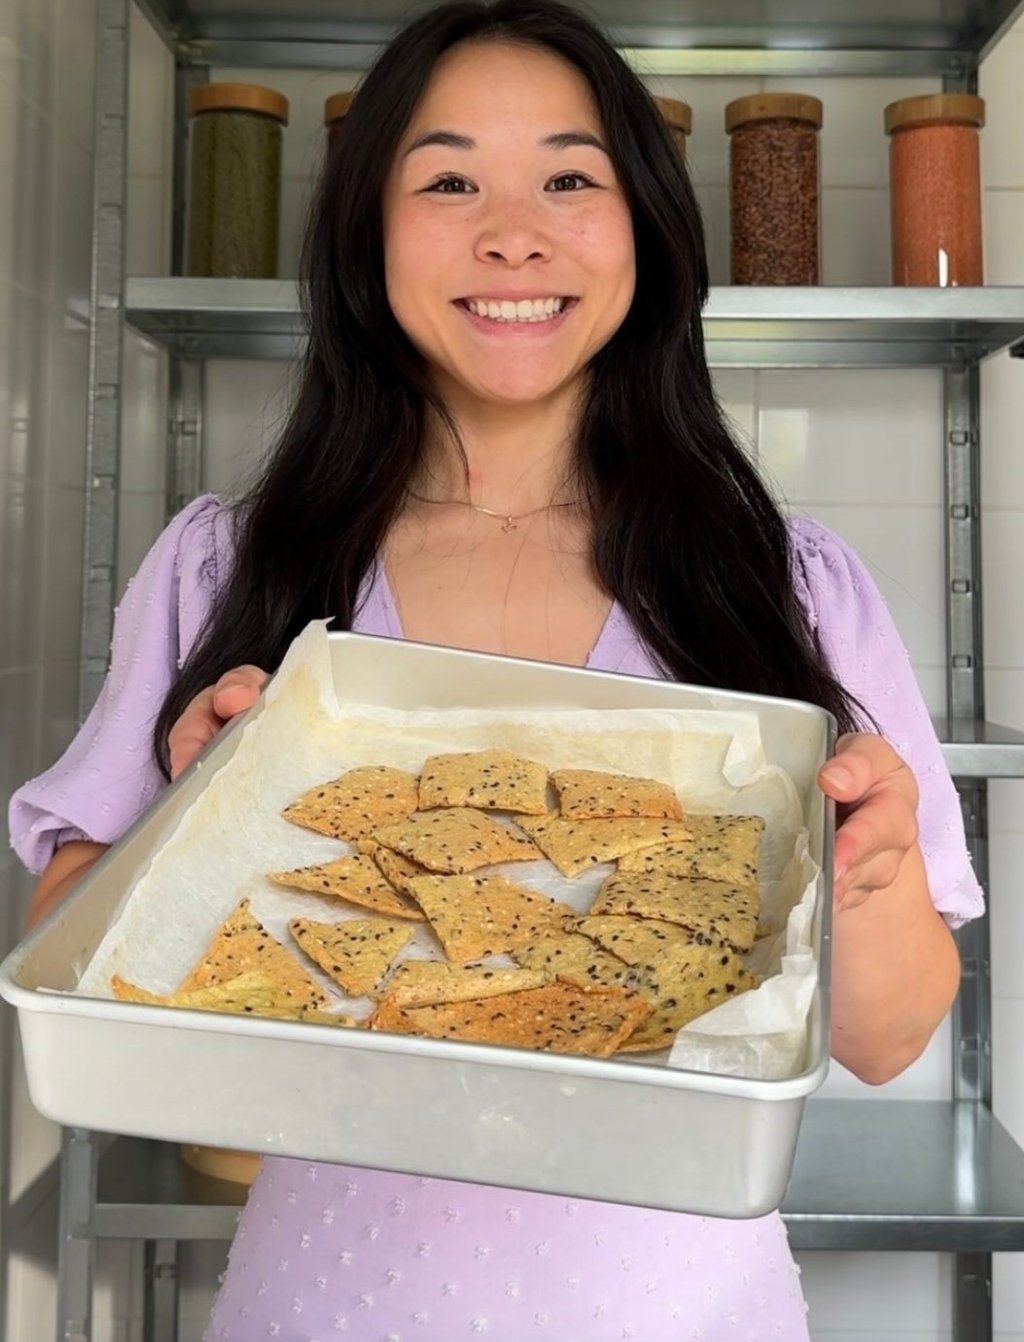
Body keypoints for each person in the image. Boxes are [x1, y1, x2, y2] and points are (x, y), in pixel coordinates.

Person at [10, 1, 981, 1335]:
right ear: (369, 232)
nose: (512, 232)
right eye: (450, 178)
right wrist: (191, 832)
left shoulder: (785, 585)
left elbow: (889, 1034)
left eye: (571, 179)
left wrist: (866, 872)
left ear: (644, 224)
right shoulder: (232, 568)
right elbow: (64, 956)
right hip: (328, 1300)